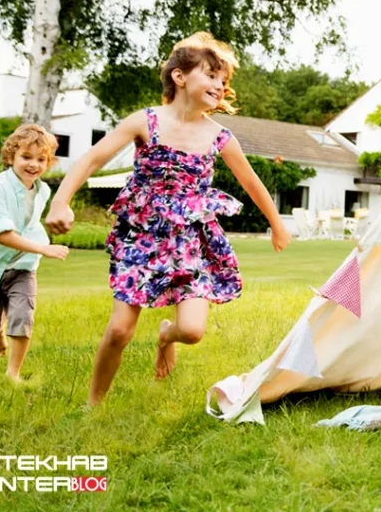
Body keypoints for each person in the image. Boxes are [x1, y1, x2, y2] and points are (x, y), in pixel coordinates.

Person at [45, 32, 292, 405]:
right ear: (180, 77)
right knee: (120, 330)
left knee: (192, 331)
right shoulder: (146, 121)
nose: (219, 85)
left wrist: (277, 224)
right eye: (210, 75)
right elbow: (92, 158)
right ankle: (94, 404)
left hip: (189, 240)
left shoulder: (219, 136)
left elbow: (252, 182)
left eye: (223, 80)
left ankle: (166, 335)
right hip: (141, 234)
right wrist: (61, 201)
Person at [0, 124, 69, 381]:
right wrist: (43, 248)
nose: (33, 164)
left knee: (23, 315)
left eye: (41, 159)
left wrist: (65, 213)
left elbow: (33, 223)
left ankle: (13, 374)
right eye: (26, 157)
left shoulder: (43, 191)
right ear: (11, 157)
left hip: (24, 266)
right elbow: (1, 235)